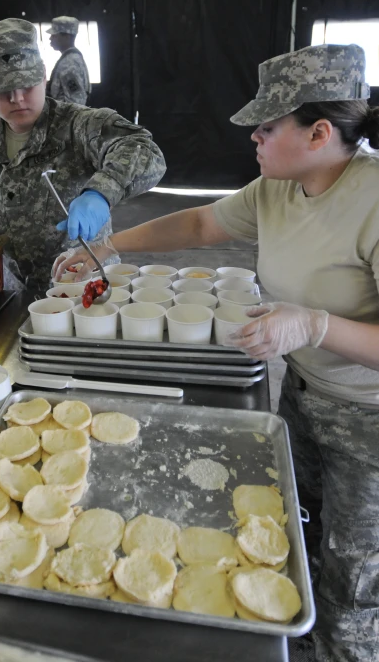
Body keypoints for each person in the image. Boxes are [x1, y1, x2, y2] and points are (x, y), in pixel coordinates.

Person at [53, 44, 379, 662]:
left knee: (352, 584)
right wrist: (109, 247)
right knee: (297, 539)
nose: (254, 138)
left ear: (319, 132)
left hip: (368, 425)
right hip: (304, 398)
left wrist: (313, 323)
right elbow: (201, 226)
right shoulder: (278, 189)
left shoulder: (374, 200)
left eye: (267, 126)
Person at [0, 18, 166, 290]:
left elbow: (145, 151)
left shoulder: (79, 125)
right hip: (14, 291)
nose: (17, 99)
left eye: (26, 85)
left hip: (84, 286)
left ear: (43, 76)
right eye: (3, 91)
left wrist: (101, 193)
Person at [46, 16, 91, 105]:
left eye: (54, 35)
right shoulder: (71, 58)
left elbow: (76, 101)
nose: (50, 38)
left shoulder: (70, 63)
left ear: (67, 37)